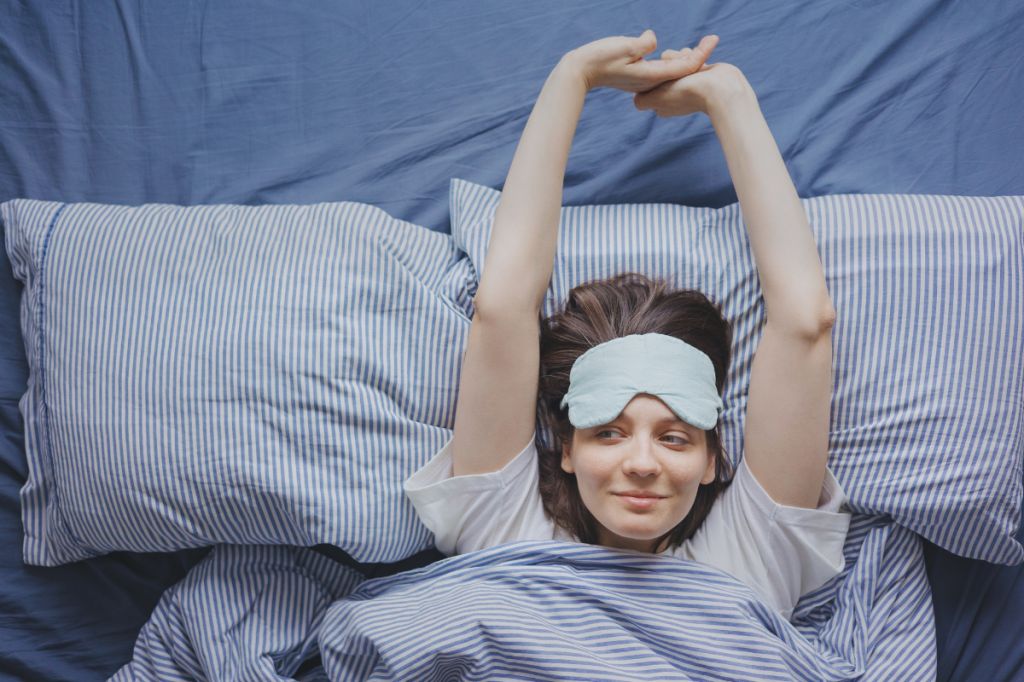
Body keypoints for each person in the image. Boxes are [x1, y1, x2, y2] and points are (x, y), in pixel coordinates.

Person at [404, 30, 852, 621]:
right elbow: (503, 306)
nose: (642, 463)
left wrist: (731, 98)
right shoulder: (505, 534)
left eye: (674, 437)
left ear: (714, 460)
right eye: (608, 432)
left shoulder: (749, 562)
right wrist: (572, 77)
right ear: (566, 448)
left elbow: (805, 323)